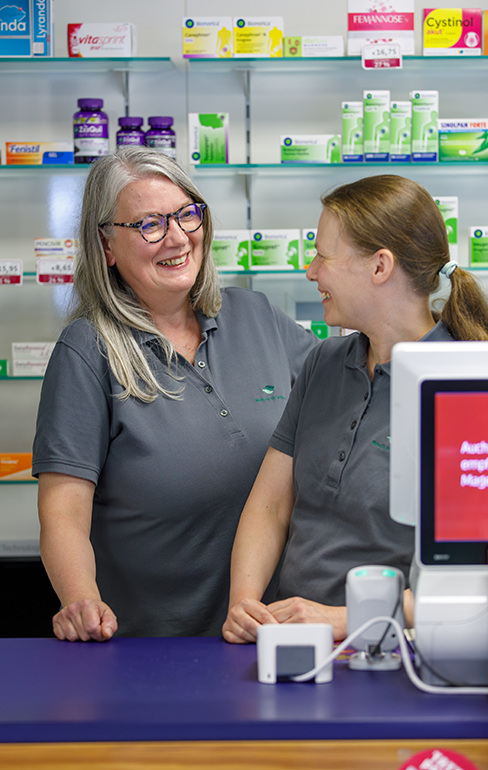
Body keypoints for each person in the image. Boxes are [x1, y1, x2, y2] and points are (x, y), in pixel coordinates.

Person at [32, 146, 318, 642]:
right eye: (149, 224)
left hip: (272, 636)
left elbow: (346, 386)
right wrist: (81, 600)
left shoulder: (256, 315)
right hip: (154, 650)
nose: (178, 237)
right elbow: (63, 513)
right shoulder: (88, 352)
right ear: (106, 246)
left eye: (187, 214)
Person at [222, 174, 488, 645]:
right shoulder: (323, 364)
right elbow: (269, 505)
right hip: (293, 643)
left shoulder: (463, 389)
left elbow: (471, 586)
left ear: (380, 266)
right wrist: (245, 603)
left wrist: (344, 620)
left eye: (323, 255)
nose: (310, 271)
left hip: (395, 654)